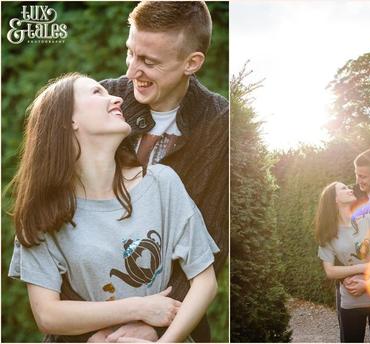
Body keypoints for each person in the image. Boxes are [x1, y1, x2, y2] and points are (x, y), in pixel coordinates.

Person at [8, 73, 219, 343]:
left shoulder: (162, 183)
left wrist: (163, 342)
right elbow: (48, 315)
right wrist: (138, 308)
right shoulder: (42, 212)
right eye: (97, 93)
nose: (117, 98)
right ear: (67, 120)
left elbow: (205, 282)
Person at [97, 2, 229, 341]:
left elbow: (211, 241)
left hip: (172, 322)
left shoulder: (221, 126)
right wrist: (92, 327)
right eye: (130, 53)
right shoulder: (102, 99)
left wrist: (153, 324)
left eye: (148, 62)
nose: (130, 72)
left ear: (191, 63)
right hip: (88, 318)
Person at [316, 182, 370, 342]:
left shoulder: (369, 220)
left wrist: (368, 284)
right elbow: (330, 271)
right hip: (351, 301)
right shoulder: (328, 232)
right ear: (334, 200)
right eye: (343, 188)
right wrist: (364, 266)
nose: (350, 189)